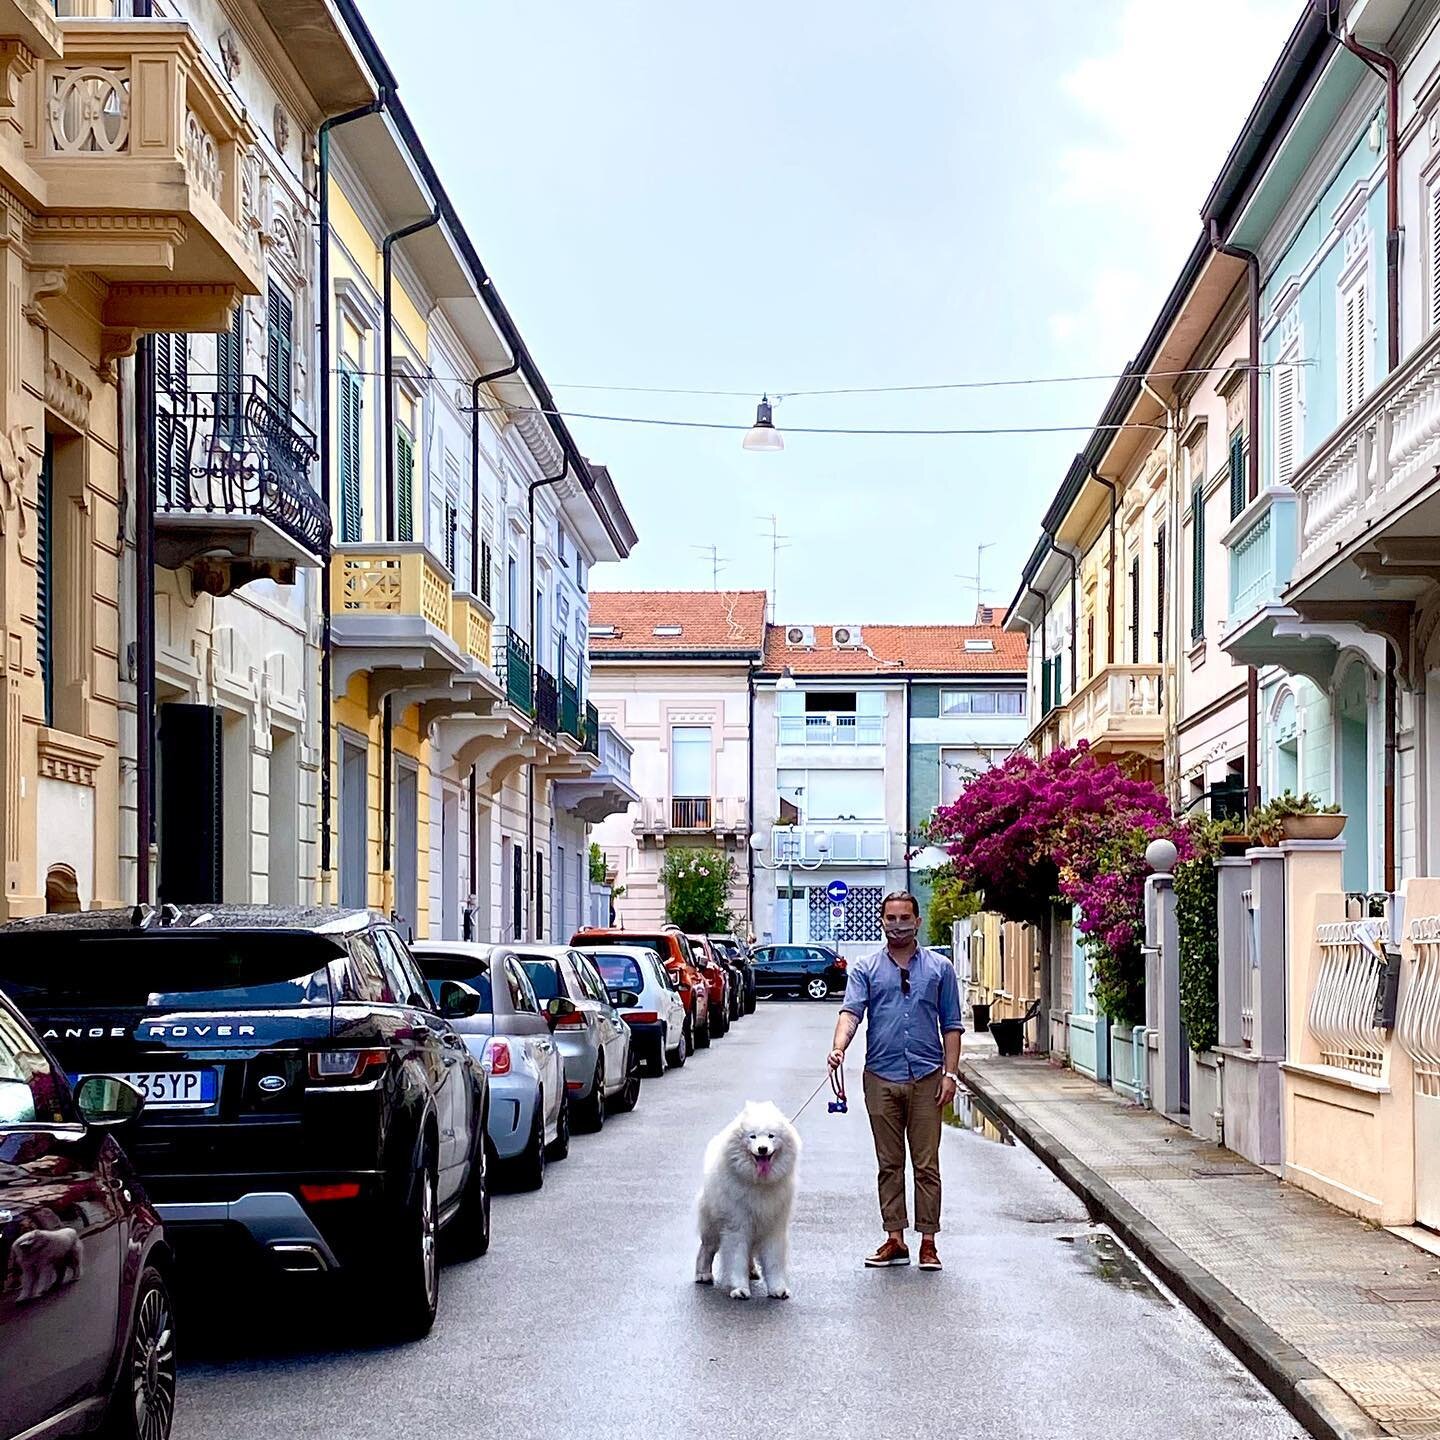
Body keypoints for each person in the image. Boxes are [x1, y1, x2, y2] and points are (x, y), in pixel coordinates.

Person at [827, 891, 963, 1271]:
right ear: (882, 921)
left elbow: (952, 1026)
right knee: (889, 1163)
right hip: (881, 1076)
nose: (898, 924)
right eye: (892, 918)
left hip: (927, 1077)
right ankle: (895, 1238)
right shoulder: (866, 969)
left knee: (926, 1164)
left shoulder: (940, 969)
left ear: (917, 922)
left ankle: (929, 1242)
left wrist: (950, 1074)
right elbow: (851, 1012)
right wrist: (838, 1047)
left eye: (906, 917)